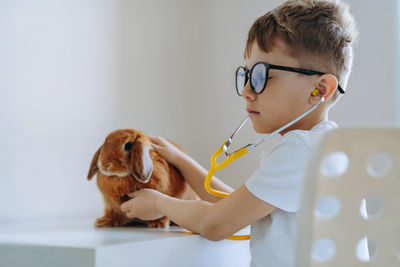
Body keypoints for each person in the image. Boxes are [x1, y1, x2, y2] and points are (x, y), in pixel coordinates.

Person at [120, 0, 358, 266]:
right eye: (245, 76)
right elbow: (236, 206)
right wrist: (181, 161)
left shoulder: (300, 150)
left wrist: (159, 204)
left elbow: (215, 224)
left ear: (319, 89)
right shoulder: (327, 147)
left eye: (260, 75)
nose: (246, 90)